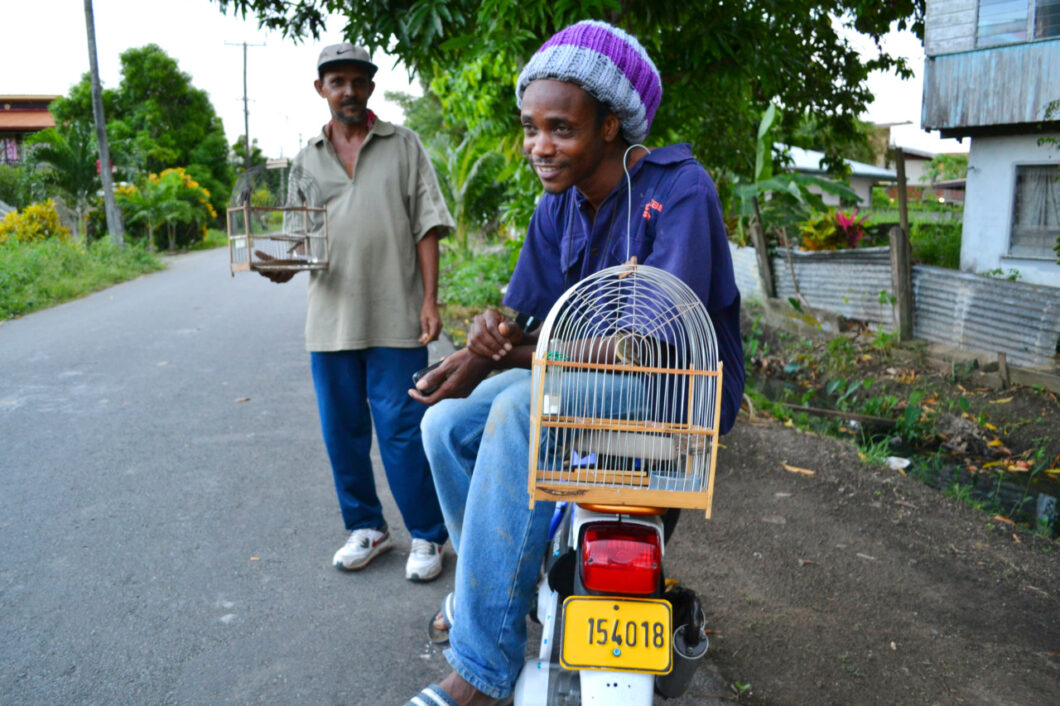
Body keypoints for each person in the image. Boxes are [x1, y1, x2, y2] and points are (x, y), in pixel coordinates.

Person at [403, 20, 745, 706]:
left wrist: (518, 352)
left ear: (611, 126)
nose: (539, 146)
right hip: (583, 385)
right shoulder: (555, 207)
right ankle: (495, 584)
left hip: (674, 393)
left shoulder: (677, 189)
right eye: (530, 128)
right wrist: (477, 349)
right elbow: (521, 316)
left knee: (520, 407)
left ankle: (477, 670)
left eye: (560, 127)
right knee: (444, 427)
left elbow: (644, 347)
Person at [260, 43, 452, 582]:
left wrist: (430, 300)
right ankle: (367, 527)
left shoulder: (403, 144)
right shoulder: (306, 159)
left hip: (397, 315)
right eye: (336, 81)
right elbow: (299, 242)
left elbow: (427, 225)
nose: (347, 90)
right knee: (342, 430)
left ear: (370, 87)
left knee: (401, 428)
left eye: (357, 80)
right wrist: (280, 267)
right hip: (330, 320)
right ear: (320, 88)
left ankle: (427, 535)